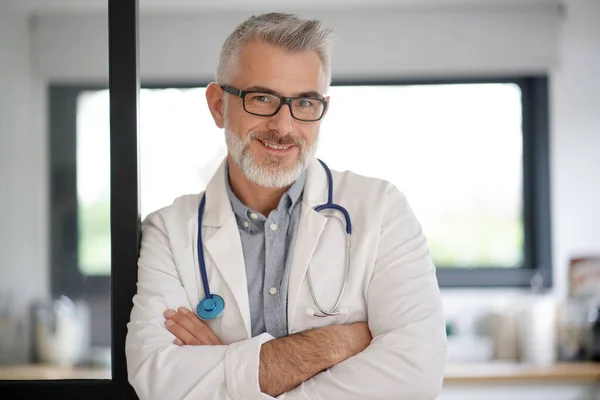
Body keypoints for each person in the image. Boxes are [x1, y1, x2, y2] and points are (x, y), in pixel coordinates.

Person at [125, 12, 446, 400]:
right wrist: (337, 344)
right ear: (217, 105)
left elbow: (415, 376)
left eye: (305, 103)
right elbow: (158, 380)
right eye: (262, 98)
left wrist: (226, 367)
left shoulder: (381, 211)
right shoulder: (169, 231)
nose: (284, 125)